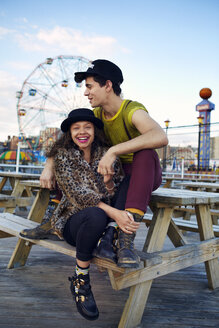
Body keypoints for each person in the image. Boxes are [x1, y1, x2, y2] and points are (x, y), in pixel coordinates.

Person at [40, 59, 168, 268]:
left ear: (108, 85)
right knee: (74, 166)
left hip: (142, 174)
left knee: (145, 154)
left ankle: (125, 240)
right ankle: (62, 222)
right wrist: (49, 165)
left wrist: (114, 150)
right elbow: (65, 139)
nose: (86, 92)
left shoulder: (131, 111)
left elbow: (160, 136)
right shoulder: (97, 115)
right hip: (114, 177)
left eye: (90, 86)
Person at [21, 108, 139, 321]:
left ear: (95, 131)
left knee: (129, 184)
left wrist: (109, 182)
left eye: (87, 127)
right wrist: (117, 215)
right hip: (74, 221)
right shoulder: (63, 156)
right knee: (95, 214)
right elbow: (78, 195)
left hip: (104, 219)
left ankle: (109, 237)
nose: (82, 132)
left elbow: (117, 189)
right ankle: (81, 280)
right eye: (76, 128)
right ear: (70, 133)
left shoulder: (106, 153)